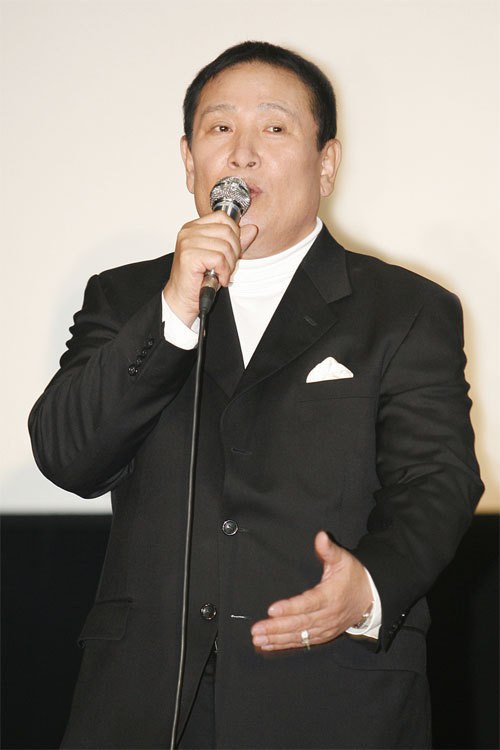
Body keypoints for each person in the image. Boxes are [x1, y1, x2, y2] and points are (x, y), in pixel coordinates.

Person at [29, 41, 483, 749]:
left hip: (330, 694)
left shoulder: (405, 309)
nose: (242, 154)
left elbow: (437, 479)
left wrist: (370, 585)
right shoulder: (126, 299)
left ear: (326, 162)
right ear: (189, 161)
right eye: (219, 128)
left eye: (273, 127)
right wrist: (174, 311)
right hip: (144, 704)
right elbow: (68, 456)